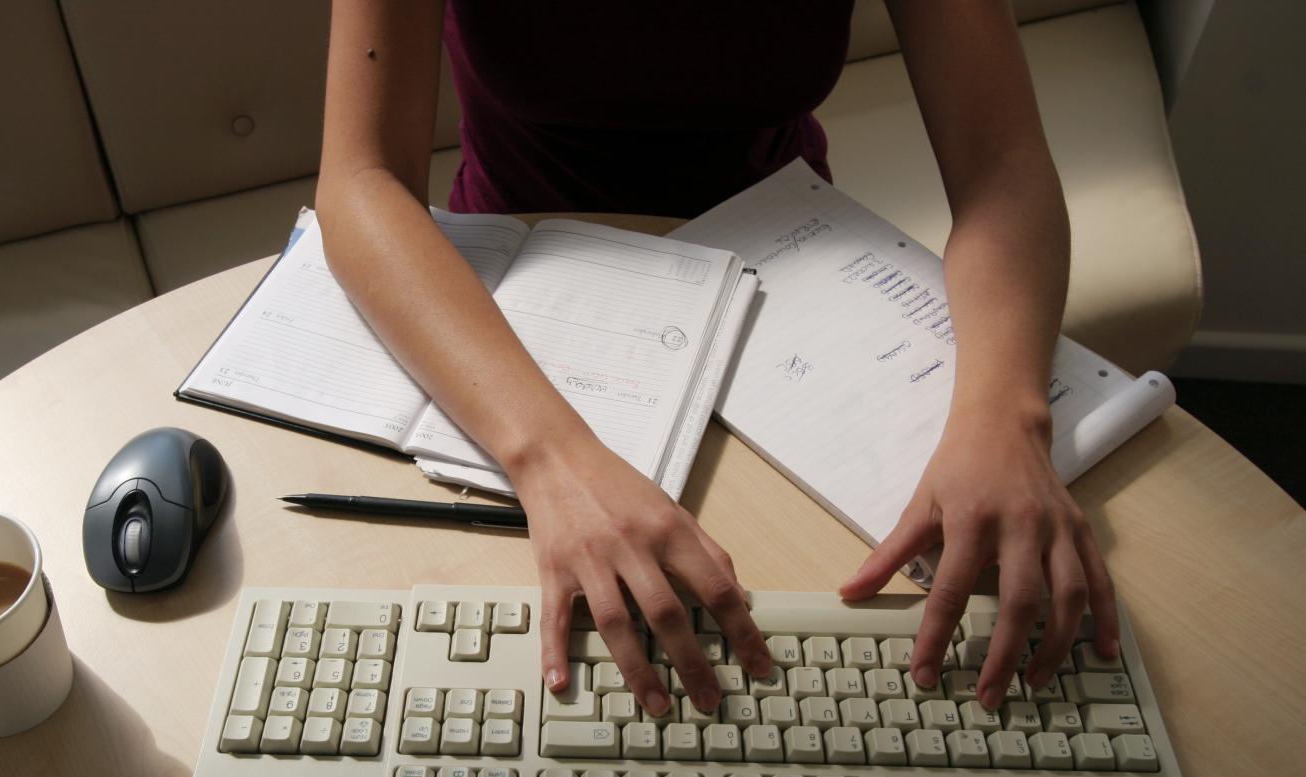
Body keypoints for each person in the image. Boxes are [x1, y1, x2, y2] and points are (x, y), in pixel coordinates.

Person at [314, 1, 1121, 720]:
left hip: (786, 290)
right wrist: (548, 458)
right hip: (524, 309)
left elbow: (1002, 165)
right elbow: (361, 179)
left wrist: (1007, 413)